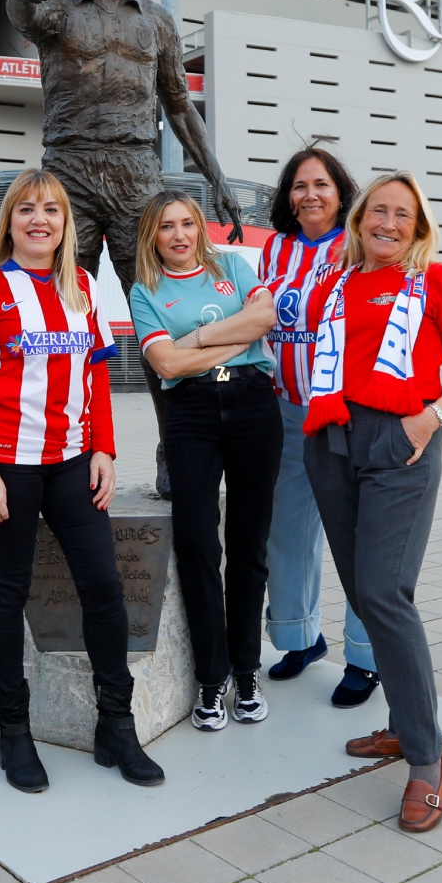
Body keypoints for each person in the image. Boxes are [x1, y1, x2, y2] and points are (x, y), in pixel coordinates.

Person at [7, 0, 247, 497]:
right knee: (59, 312)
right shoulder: (58, 7)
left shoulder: (159, 21)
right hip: (70, 170)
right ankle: (58, 452)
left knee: (163, 316)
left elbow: (179, 105)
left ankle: (177, 454)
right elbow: (22, 15)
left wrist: (215, 177)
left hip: (139, 172)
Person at [0, 169, 165, 793]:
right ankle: (15, 734)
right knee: (7, 593)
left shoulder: (83, 286)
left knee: (104, 588)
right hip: (5, 467)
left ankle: (114, 727)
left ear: (66, 225)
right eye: (27, 210)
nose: (40, 220)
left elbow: (96, 377)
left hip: (71, 462)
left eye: (53, 211)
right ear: (8, 220)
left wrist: (105, 451)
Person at [302, 171, 442, 832]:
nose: (386, 222)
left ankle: (427, 758)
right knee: (366, 593)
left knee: (385, 593)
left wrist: (428, 418)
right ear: (358, 221)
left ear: (417, 226)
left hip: (399, 443)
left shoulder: (437, 281)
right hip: (330, 444)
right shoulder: (334, 283)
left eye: (400, 215)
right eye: (376, 211)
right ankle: (406, 727)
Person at [128, 190, 280, 731]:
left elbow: (262, 318)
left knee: (248, 546)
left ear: (199, 228)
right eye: (166, 226)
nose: (178, 235)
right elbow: (165, 361)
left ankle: (246, 672)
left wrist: (196, 341)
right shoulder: (145, 288)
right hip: (189, 412)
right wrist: (229, 338)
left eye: (187, 223)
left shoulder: (235, 266)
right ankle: (211, 680)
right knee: (195, 544)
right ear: (153, 236)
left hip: (253, 405)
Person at [258, 148, 380, 706]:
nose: (310, 195)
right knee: (287, 531)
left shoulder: (359, 247)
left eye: (322, 184)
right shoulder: (274, 249)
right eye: (299, 185)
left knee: (355, 536)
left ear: (341, 192)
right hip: (284, 413)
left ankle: (365, 655)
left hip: (344, 413)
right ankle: (299, 637)